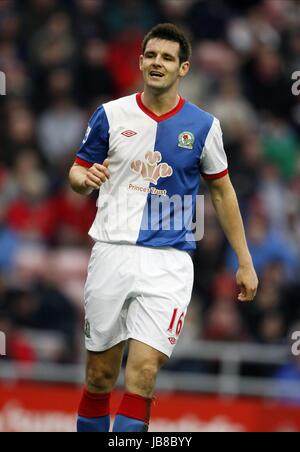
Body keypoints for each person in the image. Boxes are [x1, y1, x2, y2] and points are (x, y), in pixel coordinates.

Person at [69, 23, 258, 433]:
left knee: (143, 374)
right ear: (140, 62)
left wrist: (245, 261)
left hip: (170, 262)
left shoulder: (205, 126)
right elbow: (77, 170)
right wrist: (83, 180)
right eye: (151, 56)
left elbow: (223, 193)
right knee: (100, 376)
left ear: (183, 68)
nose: (158, 63)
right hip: (112, 250)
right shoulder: (111, 114)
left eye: (168, 58)